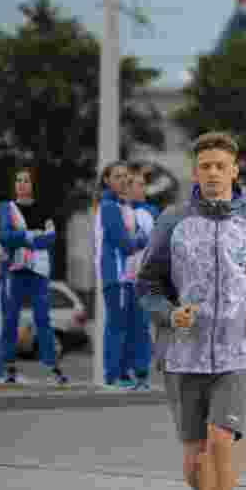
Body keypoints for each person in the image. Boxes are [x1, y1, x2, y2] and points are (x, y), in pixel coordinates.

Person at [136, 132, 246, 490]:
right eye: (205, 166)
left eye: (220, 166)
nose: (213, 173)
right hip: (184, 356)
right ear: (196, 172)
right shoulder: (172, 220)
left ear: (235, 171)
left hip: (239, 354)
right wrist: (172, 315)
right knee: (194, 460)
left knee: (221, 443)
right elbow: (147, 286)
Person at [0, 167, 69, 385]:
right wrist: (30, 235)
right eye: (18, 180)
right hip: (16, 269)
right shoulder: (7, 208)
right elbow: (4, 236)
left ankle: (52, 367)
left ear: (32, 184)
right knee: (11, 318)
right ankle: (9, 366)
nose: (22, 184)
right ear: (14, 184)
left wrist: (23, 239)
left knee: (42, 319)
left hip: (39, 271)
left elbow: (50, 239)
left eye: (26, 180)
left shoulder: (44, 208)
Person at [96, 161, 149, 389]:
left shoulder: (124, 206)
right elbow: (125, 243)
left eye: (126, 176)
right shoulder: (108, 206)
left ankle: (128, 373)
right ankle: (113, 374)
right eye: (117, 176)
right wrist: (145, 239)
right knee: (116, 324)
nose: (124, 180)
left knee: (131, 325)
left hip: (129, 276)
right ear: (107, 180)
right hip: (115, 275)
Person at [124, 165, 160, 390]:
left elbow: (158, 243)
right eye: (135, 184)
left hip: (144, 279)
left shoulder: (152, 211)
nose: (140, 189)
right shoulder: (120, 210)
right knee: (124, 326)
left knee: (142, 328)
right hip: (123, 277)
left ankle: (142, 373)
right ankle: (123, 371)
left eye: (142, 184)